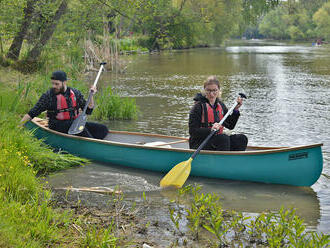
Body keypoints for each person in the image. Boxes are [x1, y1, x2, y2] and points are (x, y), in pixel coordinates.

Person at [20, 70, 108, 139]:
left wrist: (91, 95)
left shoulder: (75, 93)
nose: (54, 86)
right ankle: (92, 144)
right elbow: (32, 113)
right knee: (82, 130)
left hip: (74, 123)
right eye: (53, 83)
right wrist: (18, 126)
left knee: (103, 129)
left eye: (57, 84)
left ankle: (92, 141)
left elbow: (88, 110)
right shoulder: (48, 96)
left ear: (64, 82)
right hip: (57, 125)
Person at [189, 76, 248, 151]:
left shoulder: (220, 105)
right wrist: (210, 130)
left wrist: (235, 110)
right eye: (208, 90)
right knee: (223, 138)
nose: (211, 94)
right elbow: (192, 131)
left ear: (219, 90)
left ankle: (234, 161)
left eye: (214, 90)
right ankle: (222, 161)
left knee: (241, 139)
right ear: (204, 91)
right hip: (199, 143)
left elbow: (230, 125)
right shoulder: (197, 107)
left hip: (216, 141)